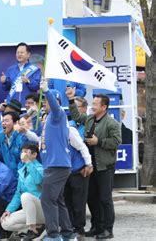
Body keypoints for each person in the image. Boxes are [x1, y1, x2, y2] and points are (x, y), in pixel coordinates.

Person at [67, 88, 121, 239]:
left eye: (96, 104)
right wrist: (71, 99)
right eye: (93, 103)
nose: (93, 106)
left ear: (104, 107)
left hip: (105, 166)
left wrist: (99, 141)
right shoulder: (90, 119)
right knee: (91, 197)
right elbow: (77, 115)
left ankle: (108, 229)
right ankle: (97, 226)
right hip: (90, 166)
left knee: (105, 198)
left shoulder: (112, 123)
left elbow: (116, 142)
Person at [38, 80, 75, 240]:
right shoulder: (50, 119)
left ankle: (53, 235)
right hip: (56, 165)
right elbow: (44, 142)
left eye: (47, 100)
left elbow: (54, 104)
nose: (45, 103)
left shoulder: (57, 114)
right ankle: (67, 233)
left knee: (46, 199)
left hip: (57, 166)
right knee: (58, 201)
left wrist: (47, 90)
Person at [1, 143, 45, 240]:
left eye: (26, 152)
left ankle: (32, 228)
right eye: (22, 152)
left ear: (34, 155)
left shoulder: (40, 168)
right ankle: (39, 228)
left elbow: (38, 180)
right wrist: (8, 210)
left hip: (42, 209)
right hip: (29, 211)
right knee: (5, 222)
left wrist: (28, 162)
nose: (23, 154)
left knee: (26, 196)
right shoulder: (21, 171)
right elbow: (18, 194)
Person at [0, 111, 34, 176]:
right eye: (2, 121)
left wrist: (18, 177)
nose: (3, 123)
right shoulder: (1, 135)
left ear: (15, 123)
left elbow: (24, 160)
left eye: (6, 121)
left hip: (21, 177)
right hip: (8, 176)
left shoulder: (22, 137)